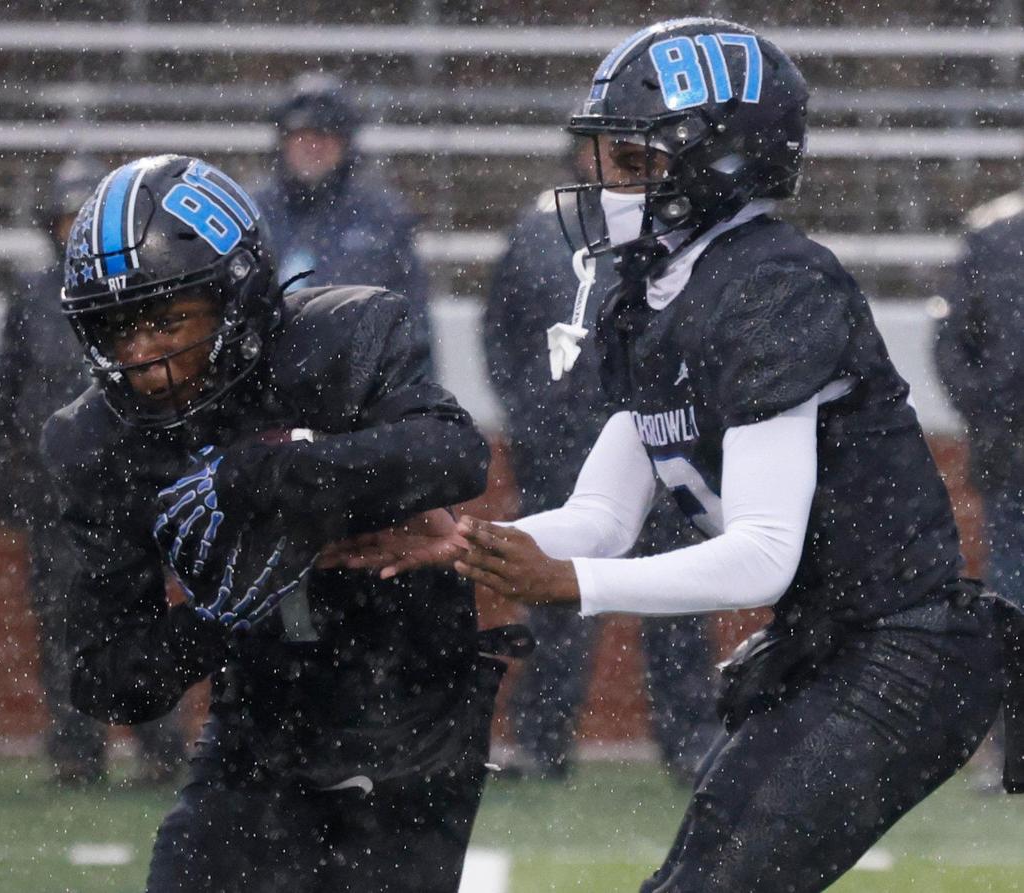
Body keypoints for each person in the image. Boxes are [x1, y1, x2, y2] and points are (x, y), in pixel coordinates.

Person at [326, 19, 1021, 892]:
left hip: (903, 655)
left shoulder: (772, 285)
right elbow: (605, 516)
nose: (599, 182)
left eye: (628, 160)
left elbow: (764, 555)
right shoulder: (656, 293)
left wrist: (574, 584)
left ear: (714, 164)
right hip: (829, 646)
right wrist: (467, 543)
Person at [41, 155, 507, 892]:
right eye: (117, 327)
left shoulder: (340, 334)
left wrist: (259, 478)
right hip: (261, 712)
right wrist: (217, 619)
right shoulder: (97, 441)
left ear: (238, 297)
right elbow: (107, 680)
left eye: (166, 319)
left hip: (408, 696)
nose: (144, 357)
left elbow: (453, 455)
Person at [484, 142, 718, 782]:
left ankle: (692, 739)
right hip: (564, 439)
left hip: (659, 434)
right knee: (555, 596)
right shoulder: (540, 229)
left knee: (676, 593)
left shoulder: (674, 223)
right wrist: (532, 415)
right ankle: (541, 741)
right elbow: (501, 332)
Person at [0, 155, 186, 786]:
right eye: (65, 218)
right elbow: (9, 398)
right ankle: (76, 752)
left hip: (129, 492)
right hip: (55, 496)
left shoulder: (144, 293)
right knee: (62, 627)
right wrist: (4, 477)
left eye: (84, 220)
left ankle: (159, 750)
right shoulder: (32, 297)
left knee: (140, 619)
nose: (73, 232)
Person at [935, 190, 1024, 790]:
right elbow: (952, 347)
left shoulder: (992, 235)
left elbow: (952, 346)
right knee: (1012, 598)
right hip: (1009, 452)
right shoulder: (991, 236)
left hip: (1007, 447)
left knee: (1013, 597)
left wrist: (995, 418)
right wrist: (997, 421)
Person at [252, 73, 431, 344]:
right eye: (302, 135)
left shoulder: (383, 217)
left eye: (325, 134)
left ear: (346, 143)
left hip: (356, 377)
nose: (313, 147)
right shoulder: (249, 212)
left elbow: (412, 321)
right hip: (264, 378)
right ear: (283, 140)